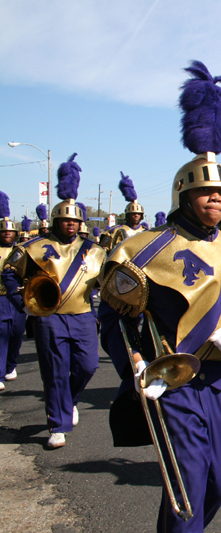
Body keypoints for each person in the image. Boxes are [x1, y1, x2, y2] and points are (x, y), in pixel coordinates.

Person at [99, 60, 221, 532]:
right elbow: (113, 319)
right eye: (206, 193)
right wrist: (132, 363)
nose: (215, 201)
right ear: (183, 195)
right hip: (170, 377)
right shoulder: (144, 247)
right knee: (188, 479)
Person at [2, 154, 106, 447]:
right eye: (66, 219)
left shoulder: (95, 251)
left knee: (88, 366)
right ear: (57, 220)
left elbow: (107, 282)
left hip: (84, 315)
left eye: (75, 220)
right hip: (49, 318)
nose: (71, 224)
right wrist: (22, 300)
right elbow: (10, 273)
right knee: (55, 371)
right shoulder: (34, 247)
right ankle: (57, 425)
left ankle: (68, 401)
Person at [0, 193, 24, 390]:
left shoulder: (21, 250)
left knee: (16, 334)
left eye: (10, 232)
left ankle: (10, 365)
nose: (6, 234)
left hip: (17, 298)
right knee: (1, 335)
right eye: (3, 232)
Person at [99, 172, 146, 251]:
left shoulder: (146, 232)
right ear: (128, 215)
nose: (136, 215)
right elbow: (104, 251)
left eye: (138, 214)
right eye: (133, 213)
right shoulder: (115, 231)